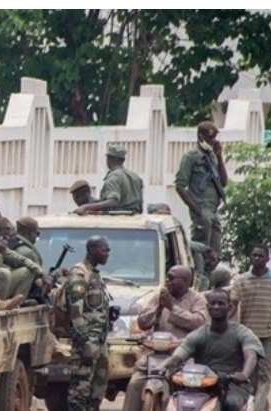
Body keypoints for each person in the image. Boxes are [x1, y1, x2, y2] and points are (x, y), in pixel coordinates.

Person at [156, 289, 263, 411]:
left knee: (232, 404)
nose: (216, 307)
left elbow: (251, 356)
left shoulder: (242, 332)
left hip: (234, 384)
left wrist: (243, 374)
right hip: (203, 383)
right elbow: (178, 356)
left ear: (230, 307)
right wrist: (164, 365)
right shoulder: (199, 334)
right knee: (173, 401)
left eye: (221, 303)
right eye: (213, 303)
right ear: (208, 307)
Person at [122, 265, 208, 411]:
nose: (167, 281)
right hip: (155, 354)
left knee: (187, 388)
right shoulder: (159, 297)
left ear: (186, 281)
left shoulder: (197, 299)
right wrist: (159, 309)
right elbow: (142, 322)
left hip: (183, 355)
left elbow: (198, 322)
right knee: (134, 383)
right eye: (167, 277)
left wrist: (172, 307)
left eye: (172, 278)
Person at [55, 235, 112, 411]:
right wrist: (85, 344)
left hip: (99, 341)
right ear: (92, 250)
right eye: (104, 250)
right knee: (81, 388)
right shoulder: (80, 274)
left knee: (97, 389)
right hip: (86, 342)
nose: (108, 254)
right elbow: (76, 313)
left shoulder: (95, 274)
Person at [229, 245, 271, 411]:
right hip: (248, 336)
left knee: (265, 377)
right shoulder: (241, 281)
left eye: (260, 256)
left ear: (267, 258)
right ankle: (262, 407)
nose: (257, 259)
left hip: (270, 335)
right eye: (254, 255)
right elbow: (233, 305)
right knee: (252, 380)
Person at [174, 121, 228, 252]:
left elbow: (223, 182)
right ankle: (199, 272)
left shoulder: (212, 156)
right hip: (202, 209)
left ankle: (207, 272)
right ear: (200, 137)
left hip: (213, 210)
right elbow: (179, 186)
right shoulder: (190, 157)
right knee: (201, 250)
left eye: (214, 139)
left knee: (215, 252)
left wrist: (219, 157)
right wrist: (197, 210)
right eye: (210, 139)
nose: (213, 142)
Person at [75, 145, 144, 215]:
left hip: (116, 220)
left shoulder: (113, 178)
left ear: (109, 159)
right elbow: (140, 207)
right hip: (134, 219)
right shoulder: (135, 177)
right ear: (123, 160)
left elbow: (113, 201)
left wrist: (85, 207)